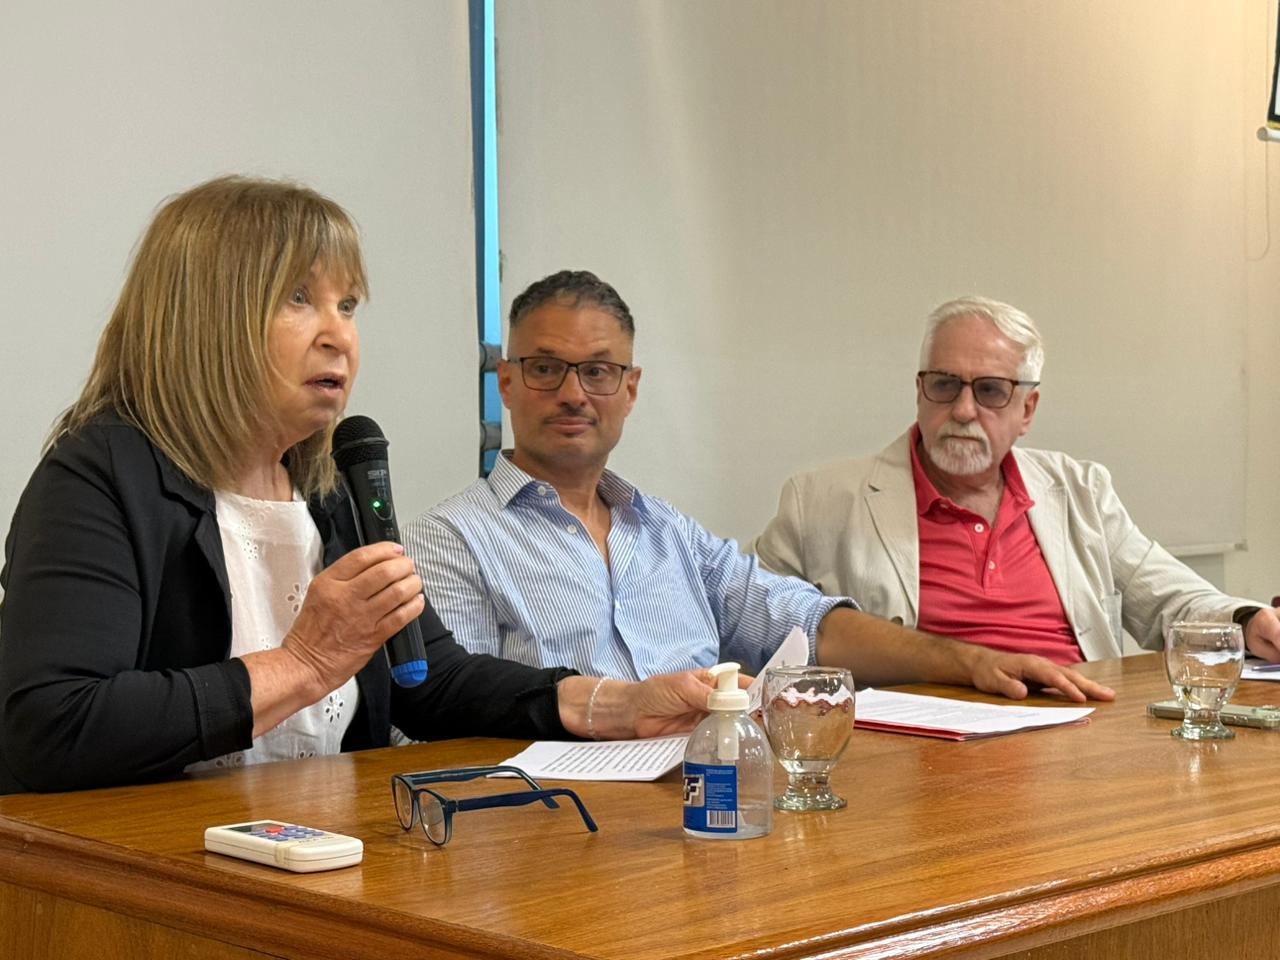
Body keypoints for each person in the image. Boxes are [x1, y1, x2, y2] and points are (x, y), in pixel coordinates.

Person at [0, 179, 721, 795]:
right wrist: (301, 665)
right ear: (206, 315)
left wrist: (619, 706)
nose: (339, 336)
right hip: (148, 876)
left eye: (348, 306)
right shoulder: (101, 477)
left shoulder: (326, 487)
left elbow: (429, 679)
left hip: (327, 859)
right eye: (299, 299)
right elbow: (51, 726)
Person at [405, 272, 1113, 702]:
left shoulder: (668, 533)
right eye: (544, 369)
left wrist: (969, 660)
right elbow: (442, 720)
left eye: (598, 371)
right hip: (559, 824)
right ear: (505, 383)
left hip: (708, 805)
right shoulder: (450, 540)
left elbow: (806, 623)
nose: (572, 393)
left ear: (631, 389)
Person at [752, 296, 1280, 664]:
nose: (963, 410)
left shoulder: (1079, 489)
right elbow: (747, 622)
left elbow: (1172, 601)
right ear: (920, 391)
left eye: (990, 391)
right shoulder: (820, 502)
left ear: (1027, 409)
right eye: (944, 385)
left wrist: (1249, 620)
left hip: (1077, 738)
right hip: (917, 752)